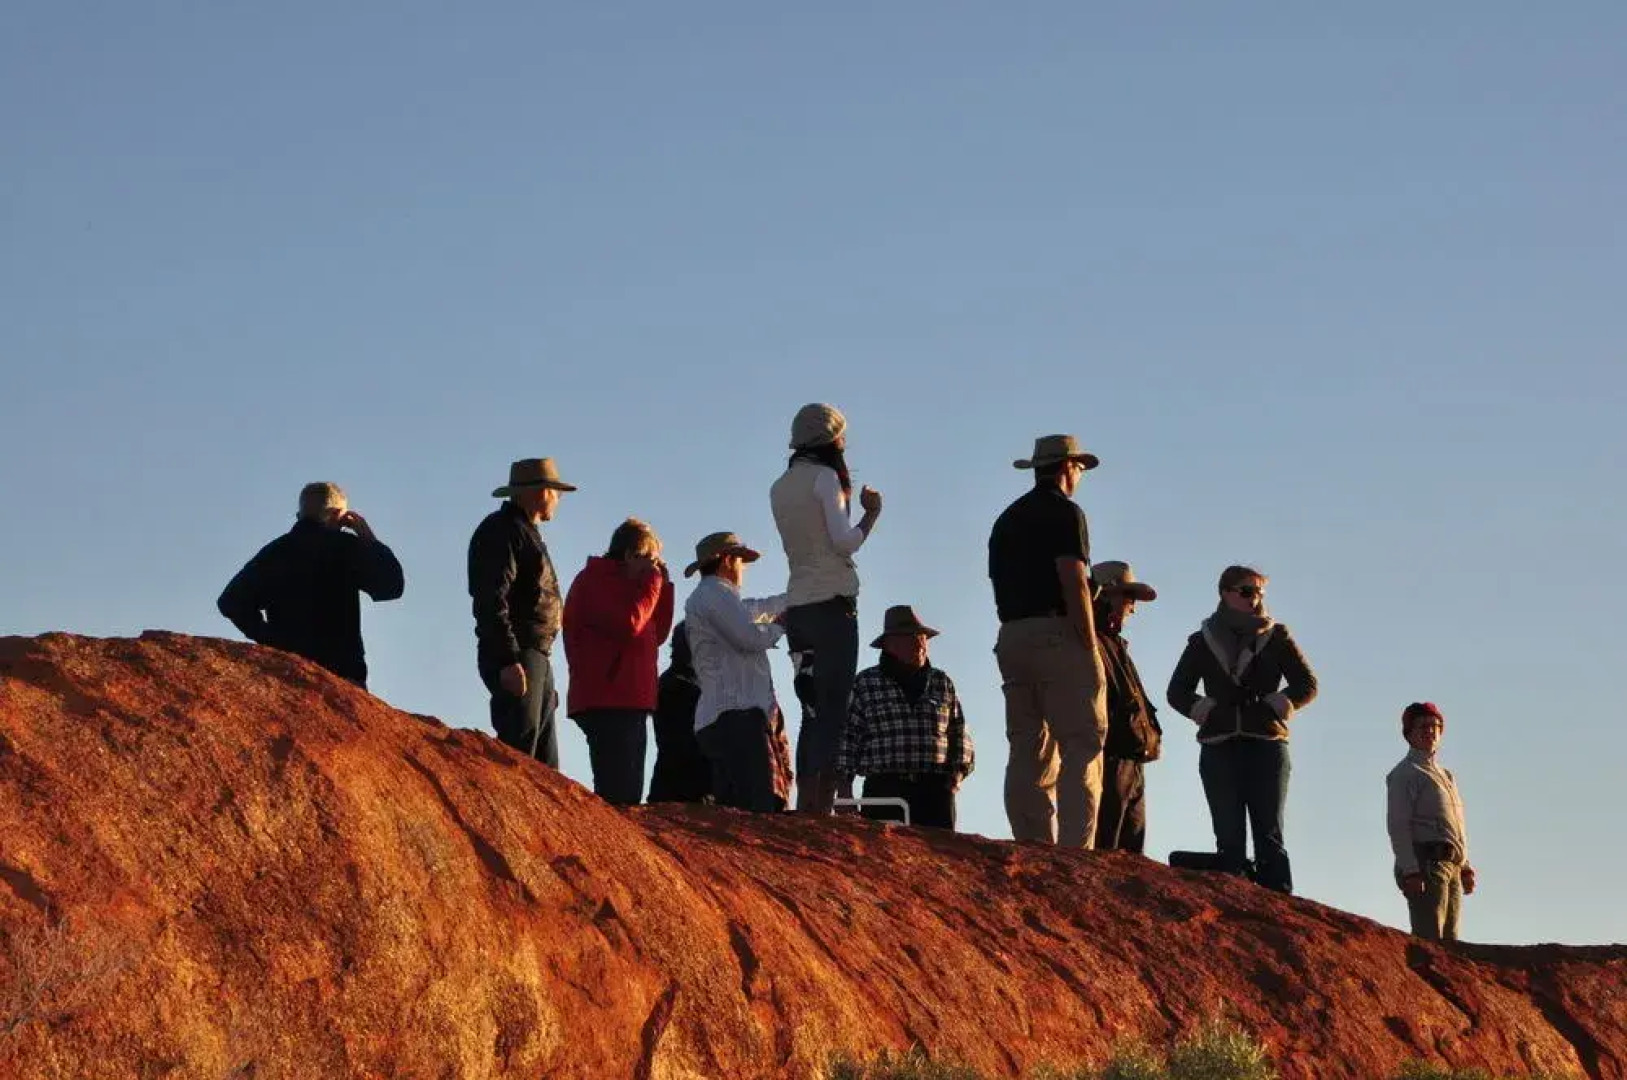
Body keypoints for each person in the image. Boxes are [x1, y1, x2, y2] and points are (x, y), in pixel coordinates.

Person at [987, 434, 1108, 847]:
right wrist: (1087, 639)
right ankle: (1075, 852)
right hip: (1055, 632)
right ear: (1068, 467)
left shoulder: (1006, 519)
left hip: (1011, 635)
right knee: (1081, 741)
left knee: (1028, 744)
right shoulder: (1066, 513)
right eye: (1080, 468)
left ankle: (1033, 844)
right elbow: (1073, 578)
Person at [1167, 565, 1318, 893]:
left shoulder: (1277, 636)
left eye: (1260, 592)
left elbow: (1307, 684)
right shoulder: (1202, 640)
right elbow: (1177, 691)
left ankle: (1279, 904)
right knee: (1228, 837)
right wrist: (1205, 710)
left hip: (1267, 743)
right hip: (1219, 745)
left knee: (1270, 835)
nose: (1255, 599)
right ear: (1225, 593)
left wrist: (1278, 703)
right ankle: (1234, 904)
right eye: (1247, 591)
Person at [770, 403, 884, 814]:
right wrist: (872, 515)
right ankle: (821, 809)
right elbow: (844, 541)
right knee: (833, 709)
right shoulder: (824, 478)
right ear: (831, 438)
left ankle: (807, 804)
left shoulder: (779, 486)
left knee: (811, 707)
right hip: (833, 606)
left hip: (799, 605)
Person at [217, 482, 404, 689]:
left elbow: (230, 602)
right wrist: (368, 538)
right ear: (339, 515)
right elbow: (391, 586)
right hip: (342, 674)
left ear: (300, 515)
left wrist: (272, 642)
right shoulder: (346, 547)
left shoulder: (277, 551)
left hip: (287, 672)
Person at [468, 458, 575, 766]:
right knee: (519, 752)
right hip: (520, 652)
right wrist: (507, 659)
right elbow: (491, 598)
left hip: (535, 654)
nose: (559, 499)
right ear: (540, 492)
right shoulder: (503, 530)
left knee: (544, 763)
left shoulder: (523, 531)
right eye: (556, 491)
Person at [562, 518, 675, 806]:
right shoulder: (596, 580)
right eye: (650, 560)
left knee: (629, 794)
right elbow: (630, 623)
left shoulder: (629, 586)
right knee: (618, 794)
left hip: (629, 698)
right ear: (630, 555)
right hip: (610, 699)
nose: (654, 568)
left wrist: (663, 589)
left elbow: (657, 633)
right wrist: (653, 582)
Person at [682, 532, 794, 813]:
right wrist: (780, 625)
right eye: (740, 560)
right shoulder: (715, 593)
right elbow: (749, 637)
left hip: (726, 717)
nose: (743, 567)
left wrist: (792, 601)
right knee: (757, 808)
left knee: (737, 808)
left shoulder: (713, 596)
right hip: (736, 717)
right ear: (727, 560)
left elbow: (757, 609)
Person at [836, 605, 975, 830]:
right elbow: (848, 738)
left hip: (935, 791)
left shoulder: (942, 682)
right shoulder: (866, 683)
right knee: (883, 851)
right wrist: (844, 790)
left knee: (938, 851)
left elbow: (960, 735)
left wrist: (954, 779)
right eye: (911, 637)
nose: (919, 643)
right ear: (890, 644)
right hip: (884, 788)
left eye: (922, 638)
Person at [1387, 702, 1476, 941]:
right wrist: (1410, 870)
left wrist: (1465, 866)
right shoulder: (1405, 773)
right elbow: (1398, 825)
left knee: (1451, 943)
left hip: (1452, 865)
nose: (1430, 731)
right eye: (1423, 726)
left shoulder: (1447, 776)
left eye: (1436, 726)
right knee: (1429, 939)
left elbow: (1456, 825)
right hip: (1426, 864)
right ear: (1409, 733)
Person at [1091, 561, 1163, 854]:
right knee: (1105, 844)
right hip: (1109, 755)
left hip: (1131, 756)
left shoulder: (1115, 643)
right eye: (1129, 597)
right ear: (1107, 594)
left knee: (1131, 848)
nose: (1133, 608)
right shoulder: (1090, 640)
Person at [647, 622, 711, 804]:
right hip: (684, 790)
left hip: (674, 786)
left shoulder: (675, 682)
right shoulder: (679, 686)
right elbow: (683, 744)